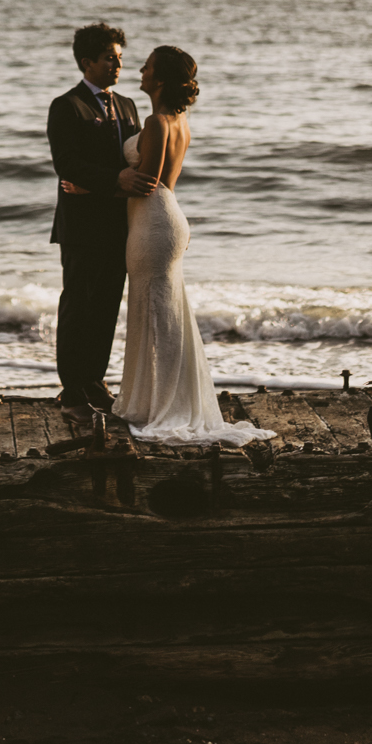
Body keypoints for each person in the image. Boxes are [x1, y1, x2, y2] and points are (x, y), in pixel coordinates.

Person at [112, 45, 272, 446]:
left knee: (154, 313)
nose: (141, 71)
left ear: (160, 79)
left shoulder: (155, 122)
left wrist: (104, 183)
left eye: (147, 67)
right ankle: (161, 399)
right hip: (168, 217)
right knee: (164, 314)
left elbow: (146, 182)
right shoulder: (179, 122)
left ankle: (162, 405)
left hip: (152, 221)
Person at [46, 22, 146, 420]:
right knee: (78, 305)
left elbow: (132, 159)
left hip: (119, 223)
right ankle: (71, 392)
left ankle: (94, 381)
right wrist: (111, 180)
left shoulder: (127, 105)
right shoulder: (67, 106)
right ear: (87, 62)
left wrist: (112, 186)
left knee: (106, 306)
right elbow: (67, 164)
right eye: (110, 58)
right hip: (82, 227)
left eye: (120, 58)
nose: (117, 65)